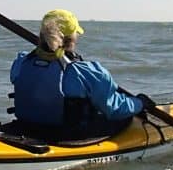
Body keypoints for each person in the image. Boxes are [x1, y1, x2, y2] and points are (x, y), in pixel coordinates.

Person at [8, 9, 146, 137]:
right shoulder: (86, 72)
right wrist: (139, 103)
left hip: (27, 127)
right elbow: (114, 109)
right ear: (72, 39)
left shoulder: (21, 63)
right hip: (66, 135)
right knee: (126, 117)